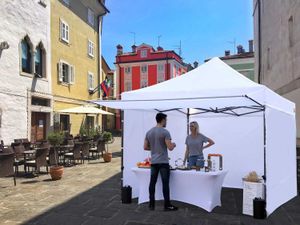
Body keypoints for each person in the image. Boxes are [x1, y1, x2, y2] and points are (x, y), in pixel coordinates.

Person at [144, 112, 178, 211]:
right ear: (162, 120)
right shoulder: (165, 132)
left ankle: (151, 204)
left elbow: (145, 147)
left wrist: (154, 148)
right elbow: (170, 147)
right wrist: (174, 144)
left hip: (153, 162)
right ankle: (167, 205)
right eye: (166, 120)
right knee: (165, 183)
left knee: (152, 183)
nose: (166, 122)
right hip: (163, 162)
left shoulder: (149, 132)